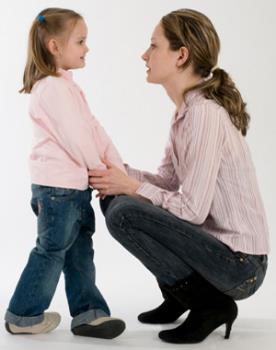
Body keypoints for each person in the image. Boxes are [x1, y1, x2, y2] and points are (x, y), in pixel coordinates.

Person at [89, 8, 270, 344]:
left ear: (181, 55)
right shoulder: (185, 112)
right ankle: (180, 294)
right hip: (217, 253)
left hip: (241, 267)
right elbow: (168, 181)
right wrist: (119, 174)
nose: (145, 55)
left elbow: (193, 210)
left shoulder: (204, 116)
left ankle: (209, 305)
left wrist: (132, 186)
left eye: (154, 46)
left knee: (126, 211)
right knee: (116, 198)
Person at [4, 7, 126, 339]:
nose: (87, 48)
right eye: (81, 41)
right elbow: (77, 137)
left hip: (73, 189)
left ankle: (89, 313)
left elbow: (94, 130)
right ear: (55, 46)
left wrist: (116, 169)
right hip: (57, 191)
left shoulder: (66, 87)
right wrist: (100, 172)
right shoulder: (52, 90)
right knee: (52, 250)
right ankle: (23, 314)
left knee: (79, 250)